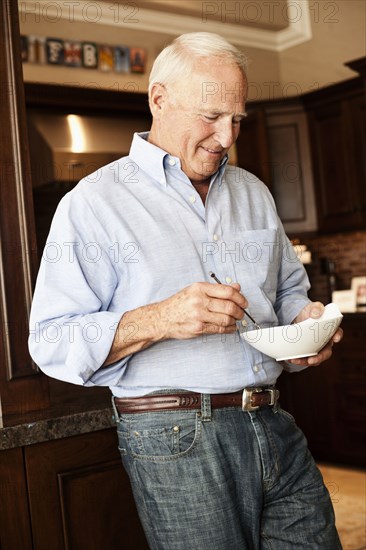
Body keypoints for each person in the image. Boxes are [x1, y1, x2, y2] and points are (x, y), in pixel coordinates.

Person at [29, 32, 343, 549]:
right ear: (159, 98)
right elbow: (50, 341)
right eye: (211, 115)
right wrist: (163, 318)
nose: (226, 136)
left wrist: (305, 323)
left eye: (237, 119)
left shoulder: (253, 192)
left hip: (274, 420)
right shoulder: (94, 202)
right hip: (176, 436)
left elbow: (288, 290)